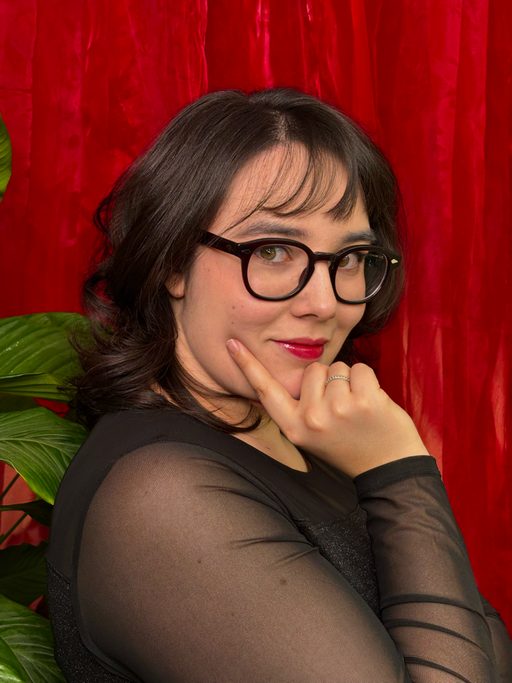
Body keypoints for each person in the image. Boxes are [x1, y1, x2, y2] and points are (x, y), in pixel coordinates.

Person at [46, 88, 512, 682]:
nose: (324, 302)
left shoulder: (317, 437)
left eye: (350, 257)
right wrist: (399, 471)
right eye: (272, 251)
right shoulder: (160, 497)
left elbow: (476, 649)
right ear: (172, 262)